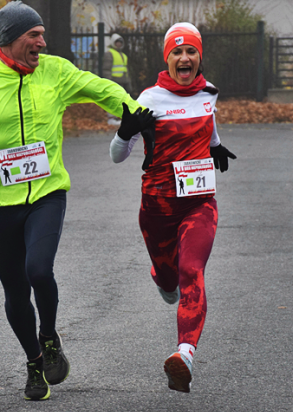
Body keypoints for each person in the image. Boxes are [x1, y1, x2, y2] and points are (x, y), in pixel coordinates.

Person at [0, 1, 143, 401]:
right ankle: (34, 362)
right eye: (33, 35)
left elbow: (100, 88)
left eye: (42, 34)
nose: (42, 42)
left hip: (47, 192)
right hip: (0, 201)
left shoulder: (56, 72)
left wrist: (134, 111)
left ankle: (49, 337)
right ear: (11, 39)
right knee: (15, 290)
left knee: (38, 269)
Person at [109, 22, 236, 393]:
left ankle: (185, 354)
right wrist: (123, 132)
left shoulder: (209, 94)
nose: (185, 57)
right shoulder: (149, 98)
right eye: (177, 51)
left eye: (191, 51)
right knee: (169, 280)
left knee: (191, 270)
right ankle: (162, 278)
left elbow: (208, 131)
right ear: (168, 57)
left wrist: (215, 147)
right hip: (157, 209)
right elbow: (117, 157)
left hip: (199, 204)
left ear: (199, 57)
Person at [102, 33, 132, 125]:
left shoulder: (123, 55)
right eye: (116, 42)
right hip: (114, 81)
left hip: (122, 81)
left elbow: (125, 70)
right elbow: (106, 69)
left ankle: (117, 117)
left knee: (121, 101)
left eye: (120, 42)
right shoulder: (109, 54)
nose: (118, 44)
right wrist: (109, 81)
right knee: (113, 99)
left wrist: (128, 83)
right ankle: (111, 118)